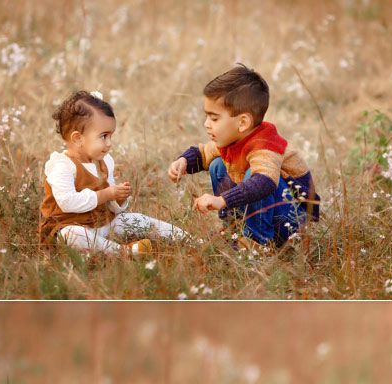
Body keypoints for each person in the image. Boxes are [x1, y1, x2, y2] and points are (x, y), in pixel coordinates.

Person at [167, 64, 319, 248]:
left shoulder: (265, 145)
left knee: (254, 178)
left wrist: (222, 200)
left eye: (214, 118)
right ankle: (234, 229)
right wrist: (182, 161)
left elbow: (264, 183)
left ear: (243, 122)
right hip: (269, 211)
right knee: (217, 165)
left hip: (291, 221)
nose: (206, 124)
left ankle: (257, 242)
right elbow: (202, 154)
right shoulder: (233, 140)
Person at [40, 90, 187, 254]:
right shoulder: (62, 166)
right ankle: (124, 251)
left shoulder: (104, 162)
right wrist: (106, 194)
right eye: (103, 136)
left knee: (137, 220)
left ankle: (185, 238)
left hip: (103, 223)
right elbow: (67, 202)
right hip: (70, 226)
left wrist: (118, 199)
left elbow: (111, 204)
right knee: (72, 236)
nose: (109, 143)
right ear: (78, 138)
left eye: (111, 136)